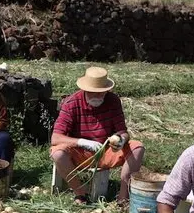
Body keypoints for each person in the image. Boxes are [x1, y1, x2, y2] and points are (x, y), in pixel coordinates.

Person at [50, 66, 144, 205]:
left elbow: (123, 131)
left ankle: (123, 198)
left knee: (138, 148)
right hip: (80, 153)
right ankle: (81, 194)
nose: (97, 96)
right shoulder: (71, 103)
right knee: (57, 153)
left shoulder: (113, 101)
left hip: (106, 150)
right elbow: (56, 138)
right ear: (85, 90)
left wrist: (121, 140)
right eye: (93, 93)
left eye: (101, 93)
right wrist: (82, 142)